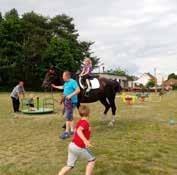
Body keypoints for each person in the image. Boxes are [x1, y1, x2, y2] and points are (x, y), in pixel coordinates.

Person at [58, 105, 96, 175]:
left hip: (72, 146)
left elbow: (76, 130)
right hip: (79, 147)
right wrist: (85, 140)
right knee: (92, 160)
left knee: (69, 165)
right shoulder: (85, 123)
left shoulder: (80, 121)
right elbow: (78, 130)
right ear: (89, 113)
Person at [52, 71, 80, 139]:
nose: (62, 77)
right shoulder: (66, 83)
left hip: (71, 102)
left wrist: (70, 95)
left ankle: (67, 132)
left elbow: (78, 90)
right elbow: (62, 87)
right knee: (70, 116)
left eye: (63, 76)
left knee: (68, 116)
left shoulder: (73, 82)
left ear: (67, 76)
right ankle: (72, 130)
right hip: (66, 101)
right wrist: (55, 86)